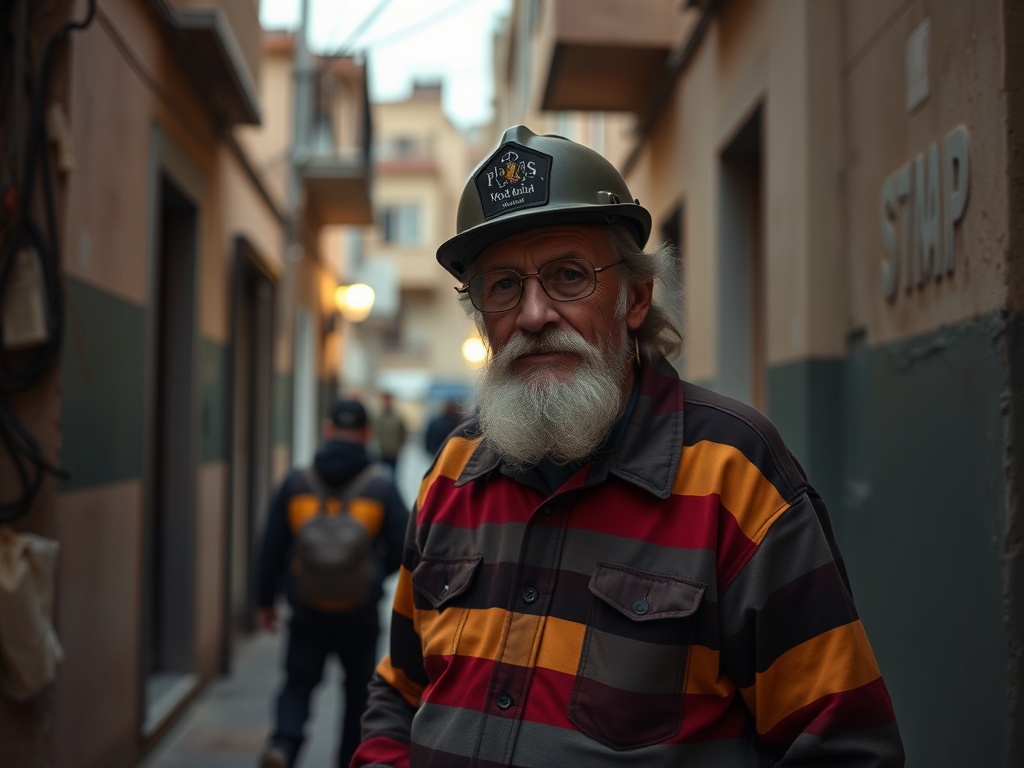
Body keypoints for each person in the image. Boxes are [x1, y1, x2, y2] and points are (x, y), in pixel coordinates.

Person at [351, 125, 904, 767]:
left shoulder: (735, 473)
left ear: (636, 299)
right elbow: (401, 690)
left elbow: (845, 746)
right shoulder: (452, 470)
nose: (533, 314)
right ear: (482, 316)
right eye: (502, 286)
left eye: (568, 275)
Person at [256, 398, 409, 768]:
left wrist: (266, 601)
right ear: (367, 435)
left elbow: (272, 546)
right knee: (358, 695)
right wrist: (373, 577)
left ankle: (284, 744)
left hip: (306, 606)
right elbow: (406, 547)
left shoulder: (297, 482)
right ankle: (348, 760)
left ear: (327, 431)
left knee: (297, 683)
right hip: (359, 612)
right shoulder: (381, 486)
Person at [372, 392, 406, 475]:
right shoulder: (376, 417)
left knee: (392, 475)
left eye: (388, 400)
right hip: (379, 452)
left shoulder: (397, 417)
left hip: (393, 453)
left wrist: (398, 448)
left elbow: (402, 434)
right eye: (384, 400)